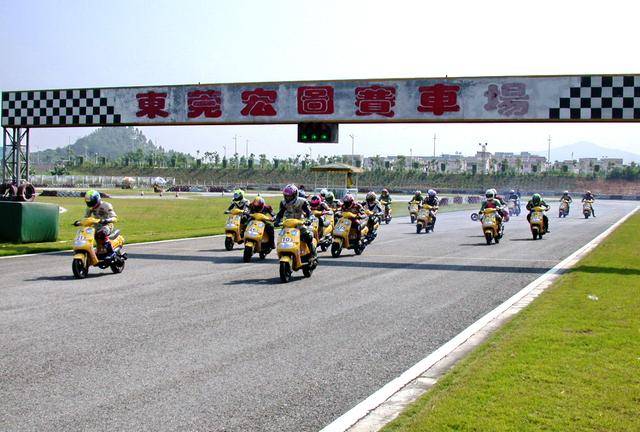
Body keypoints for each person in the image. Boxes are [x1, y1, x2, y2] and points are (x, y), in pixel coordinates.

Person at [274, 184, 317, 258]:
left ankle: (313, 255)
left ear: (295, 195)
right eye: (286, 196)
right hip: (287, 225)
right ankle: (282, 252)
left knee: (308, 236)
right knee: (281, 237)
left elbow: (309, 213)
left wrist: (309, 220)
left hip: (300, 224)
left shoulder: (302, 201)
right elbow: (280, 214)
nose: (288, 198)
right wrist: (277, 221)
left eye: (290, 196)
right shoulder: (283, 203)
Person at [78, 190, 118, 260]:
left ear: (97, 199)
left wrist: (106, 220)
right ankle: (97, 250)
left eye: (92, 202)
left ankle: (110, 252)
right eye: (89, 202)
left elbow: (114, 217)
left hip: (107, 225)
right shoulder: (89, 207)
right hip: (96, 226)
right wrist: (80, 222)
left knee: (101, 233)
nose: (91, 204)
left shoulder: (106, 205)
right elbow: (86, 218)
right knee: (86, 233)